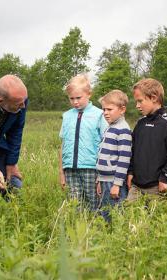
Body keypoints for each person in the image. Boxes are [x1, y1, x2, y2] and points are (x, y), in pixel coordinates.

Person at [127, 78, 167, 201]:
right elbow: (133, 150)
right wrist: (130, 172)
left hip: (158, 187)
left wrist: (165, 178)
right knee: (131, 216)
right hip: (136, 185)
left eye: (140, 101)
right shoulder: (140, 123)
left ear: (154, 98)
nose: (137, 106)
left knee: (156, 219)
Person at [59, 74, 107, 211]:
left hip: (91, 168)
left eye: (78, 98)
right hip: (70, 169)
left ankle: (95, 230)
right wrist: (61, 172)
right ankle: (77, 230)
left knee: (95, 203)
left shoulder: (99, 115)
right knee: (75, 205)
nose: (75, 102)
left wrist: (101, 173)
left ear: (89, 94)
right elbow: (63, 145)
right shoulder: (67, 116)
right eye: (71, 98)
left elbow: (105, 145)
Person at [96, 90, 132, 221]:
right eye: (104, 109)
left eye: (109, 109)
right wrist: (99, 179)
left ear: (122, 109)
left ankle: (118, 238)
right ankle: (106, 237)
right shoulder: (110, 127)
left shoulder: (123, 130)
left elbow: (124, 159)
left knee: (116, 214)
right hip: (105, 179)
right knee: (105, 212)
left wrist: (117, 184)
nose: (105, 113)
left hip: (114, 181)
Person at [0, 74, 28, 197]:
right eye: (18, 104)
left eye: (24, 101)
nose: (24, 106)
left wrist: (11, 163)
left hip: (0, 145)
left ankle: (18, 211)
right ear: (0, 101)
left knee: (12, 181)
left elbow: (15, 132)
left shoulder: (20, 99)